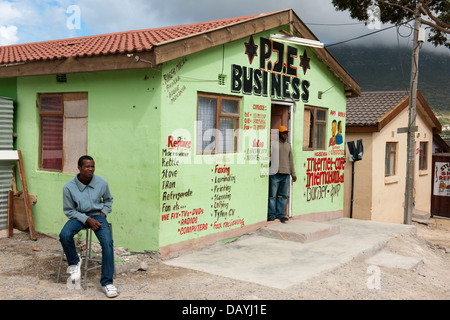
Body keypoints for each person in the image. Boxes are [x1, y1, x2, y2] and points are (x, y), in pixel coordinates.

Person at [59, 155, 118, 298]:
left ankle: (107, 283)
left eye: (92, 166)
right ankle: (74, 263)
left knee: (107, 243)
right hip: (78, 216)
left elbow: (109, 200)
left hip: (98, 216)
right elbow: (69, 210)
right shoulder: (69, 187)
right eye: (87, 166)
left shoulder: (102, 182)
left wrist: (103, 213)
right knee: (64, 235)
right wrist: (86, 219)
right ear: (79, 168)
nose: (90, 169)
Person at [268, 125, 297, 222]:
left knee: (282, 195)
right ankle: (271, 214)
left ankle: (280, 214)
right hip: (274, 174)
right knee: (272, 196)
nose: (285, 135)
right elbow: (268, 157)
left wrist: (293, 174)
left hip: (286, 174)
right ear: (279, 134)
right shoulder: (273, 144)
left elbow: (291, 160)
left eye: (286, 133)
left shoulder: (288, 145)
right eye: (283, 133)